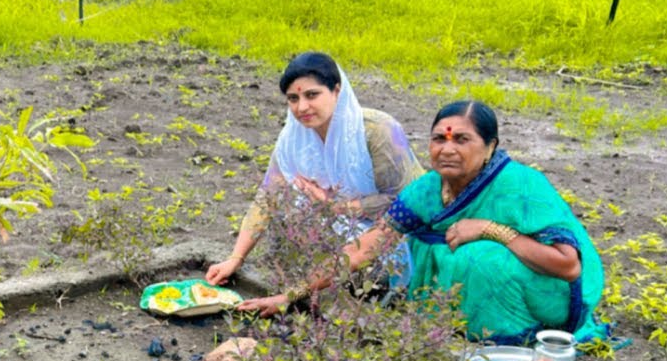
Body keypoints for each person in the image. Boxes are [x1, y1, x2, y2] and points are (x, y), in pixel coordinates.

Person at [238, 100, 608, 345]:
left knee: (478, 257)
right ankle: (461, 328)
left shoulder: (522, 186)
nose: (447, 149)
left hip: (549, 294)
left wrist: (492, 230)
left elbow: (568, 266)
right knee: (442, 252)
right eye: (438, 140)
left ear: (491, 146)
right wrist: (291, 295)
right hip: (483, 293)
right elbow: (365, 247)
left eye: (462, 140)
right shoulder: (427, 190)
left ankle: (508, 340)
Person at [205, 51, 423, 298]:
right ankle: (308, 286)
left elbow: (406, 202)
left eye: (312, 95)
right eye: (293, 98)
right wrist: (236, 258)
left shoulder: (377, 131)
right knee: (289, 211)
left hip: (395, 231)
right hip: (342, 226)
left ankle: (362, 290)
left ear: (336, 90)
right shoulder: (293, 139)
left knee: (366, 268)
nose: (302, 107)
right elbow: (267, 197)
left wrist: (335, 207)